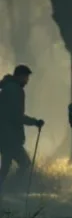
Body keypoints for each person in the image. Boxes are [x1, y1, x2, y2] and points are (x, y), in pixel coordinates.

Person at [0, 65, 44, 197]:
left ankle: (6, 190)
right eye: (26, 77)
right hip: (9, 135)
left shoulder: (7, 88)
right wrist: (35, 122)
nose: (27, 80)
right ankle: (9, 189)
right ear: (20, 76)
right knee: (24, 163)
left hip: (5, 133)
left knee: (6, 165)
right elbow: (16, 116)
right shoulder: (15, 90)